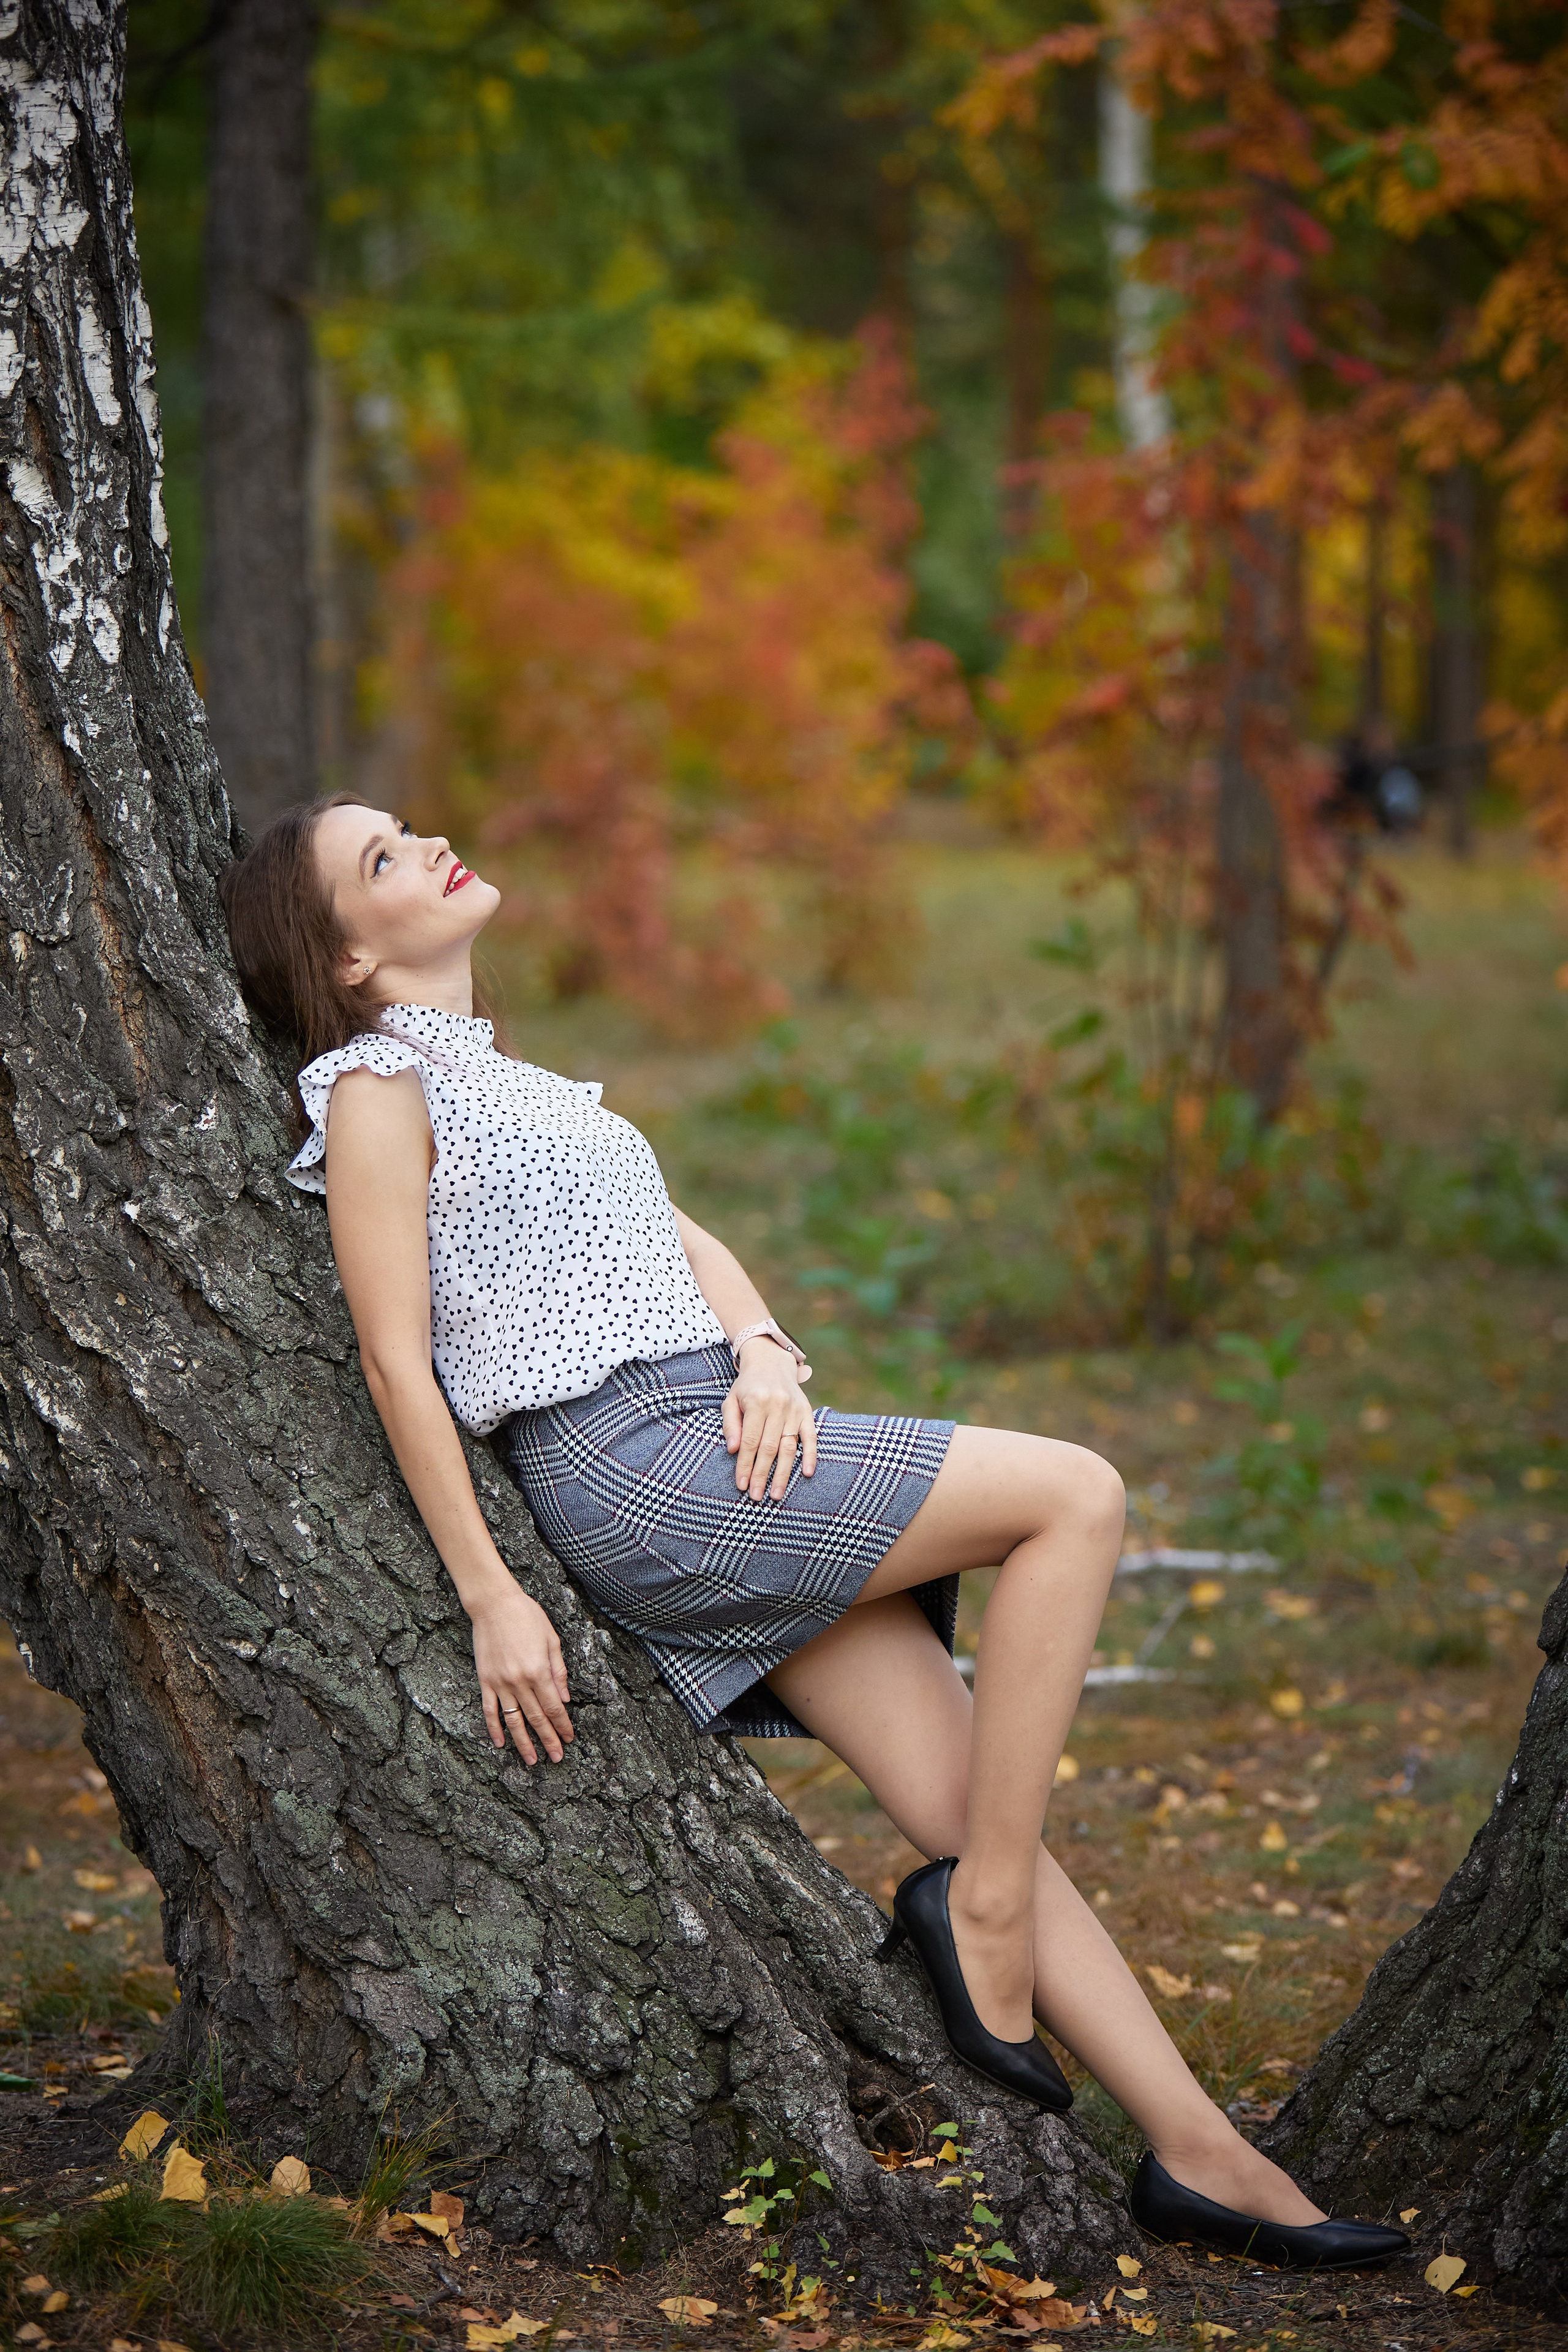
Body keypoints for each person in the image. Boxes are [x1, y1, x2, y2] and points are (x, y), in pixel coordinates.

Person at [219, 794, 1408, 2271]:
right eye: (380, 860)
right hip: (638, 1469)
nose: (425, 845)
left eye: (404, 825)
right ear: (341, 957)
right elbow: (396, 1358)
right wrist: (487, 1593)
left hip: (723, 1430)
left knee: (982, 1804)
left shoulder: (501, 1079)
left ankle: (1199, 2155)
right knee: (1074, 1494)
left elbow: (679, 1240)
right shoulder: (377, 1091)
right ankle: (974, 1923)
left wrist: (764, 1348)